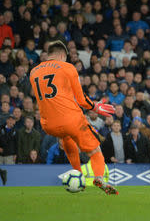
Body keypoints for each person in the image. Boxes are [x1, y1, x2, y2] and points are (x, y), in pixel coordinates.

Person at [29, 41, 117, 195]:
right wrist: (95, 107)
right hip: (70, 119)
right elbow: (82, 100)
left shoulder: (34, 71)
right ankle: (99, 178)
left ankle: (78, 175)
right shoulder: (68, 67)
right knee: (95, 151)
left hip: (48, 124)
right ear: (62, 55)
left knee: (67, 139)